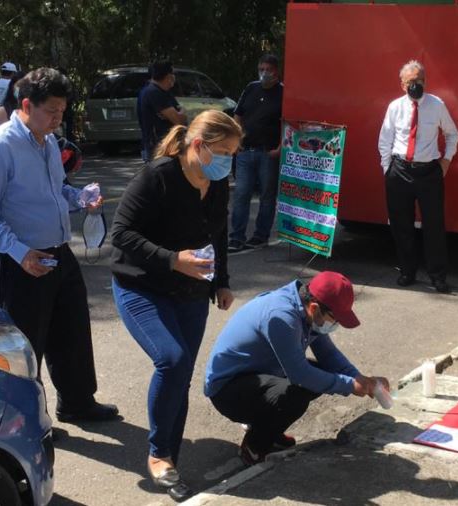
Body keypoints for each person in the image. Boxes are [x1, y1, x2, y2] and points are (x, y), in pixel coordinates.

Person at [0, 67, 118, 423]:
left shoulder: (48, 141)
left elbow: (56, 191)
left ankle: (78, 401)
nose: (57, 119)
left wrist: (80, 198)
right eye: (51, 110)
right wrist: (20, 253)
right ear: (26, 105)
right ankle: (30, 420)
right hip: (22, 258)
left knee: (72, 331)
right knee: (26, 344)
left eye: (62, 111)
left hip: (58, 252)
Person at [110, 109, 240, 501]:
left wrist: (222, 281)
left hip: (192, 291)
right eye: (224, 152)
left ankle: (171, 462)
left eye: (233, 154)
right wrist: (172, 259)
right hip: (141, 285)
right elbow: (121, 234)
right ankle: (159, 454)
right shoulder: (158, 177)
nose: (228, 162)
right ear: (198, 146)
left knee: (180, 373)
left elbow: (218, 234)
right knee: (171, 359)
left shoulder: (215, 185)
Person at [204, 271, 389, 465]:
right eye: (334, 319)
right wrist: (350, 386)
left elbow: (329, 356)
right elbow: (300, 374)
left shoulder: (306, 310)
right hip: (227, 390)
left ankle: (269, 429)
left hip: (259, 375)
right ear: (315, 307)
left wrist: (361, 379)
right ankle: (254, 446)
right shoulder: (282, 316)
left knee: (321, 376)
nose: (335, 325)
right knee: (295, 394)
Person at [377, 59, 458, 294]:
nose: (416, 85)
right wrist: (388, 169)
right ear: (402, 84)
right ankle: (407, 271)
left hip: (428, 172)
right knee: (401, 224)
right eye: (411, 81)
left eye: (420, 80)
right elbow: (385, 139)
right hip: (400, 170)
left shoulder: (437, 105)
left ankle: (437, 275)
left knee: (434, 225)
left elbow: (453, 134)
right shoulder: (395, 107)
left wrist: (446, 161)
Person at [228, 54, 284, 253]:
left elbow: (288, 123)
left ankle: (260, 235)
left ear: (276, 71)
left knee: (267, 196)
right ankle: (236, 237)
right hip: (245, 151)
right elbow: (237, 116)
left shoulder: (282, 93)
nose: (264, 73)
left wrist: (280, 147)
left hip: (267, 153)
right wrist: (236, 139)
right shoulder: (251, 88)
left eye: (268, 69)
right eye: (261, 69)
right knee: (241, 193)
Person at [138, 60, 186, 161]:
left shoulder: (163, 92)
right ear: (168, 76)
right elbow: (179, 120)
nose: (174, 76)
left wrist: (178, 113)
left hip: (166, 146)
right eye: (173, 73)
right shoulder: (154, 92)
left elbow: (178, 114)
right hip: (159, 148)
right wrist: (180, 113)